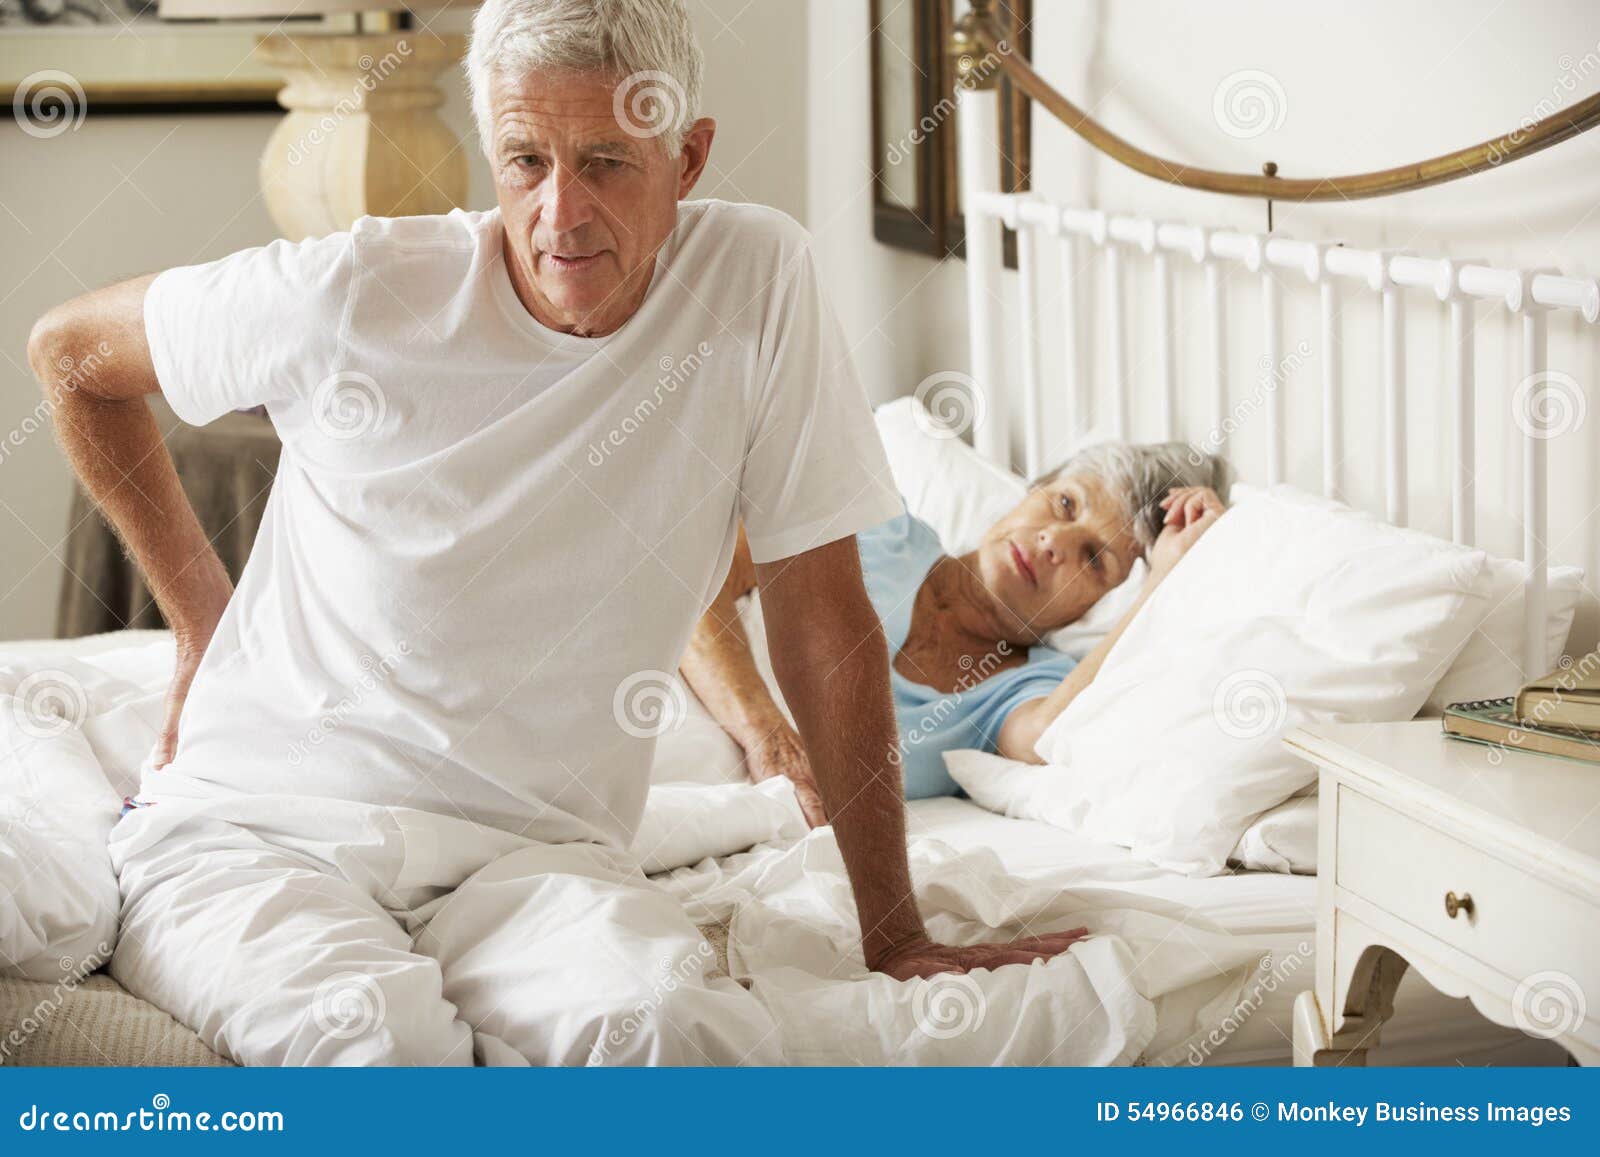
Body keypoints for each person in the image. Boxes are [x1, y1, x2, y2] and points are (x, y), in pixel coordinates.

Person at [27, 0, 1091, 1066]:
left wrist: (894, 931)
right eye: (525, 161)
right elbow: (70, 354)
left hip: (531, 859)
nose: (559, 213)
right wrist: (201, 624)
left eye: (608, 163)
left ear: (690, 157)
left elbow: (823, 619)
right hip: (258, 831)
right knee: (375, 1057)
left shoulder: (757, 280)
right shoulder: (355, 289)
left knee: (672, 1035)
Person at [682, 444, 1229, 823]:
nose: (1053, 542)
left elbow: (1046, 736)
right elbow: (691, 579)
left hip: (717, 821)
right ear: (1029, 490)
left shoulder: (1027, 685)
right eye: (1064, 503)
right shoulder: (871, 521)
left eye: (1093, 560)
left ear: (1104, 604)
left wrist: (1161, 582)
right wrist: (768, 739)